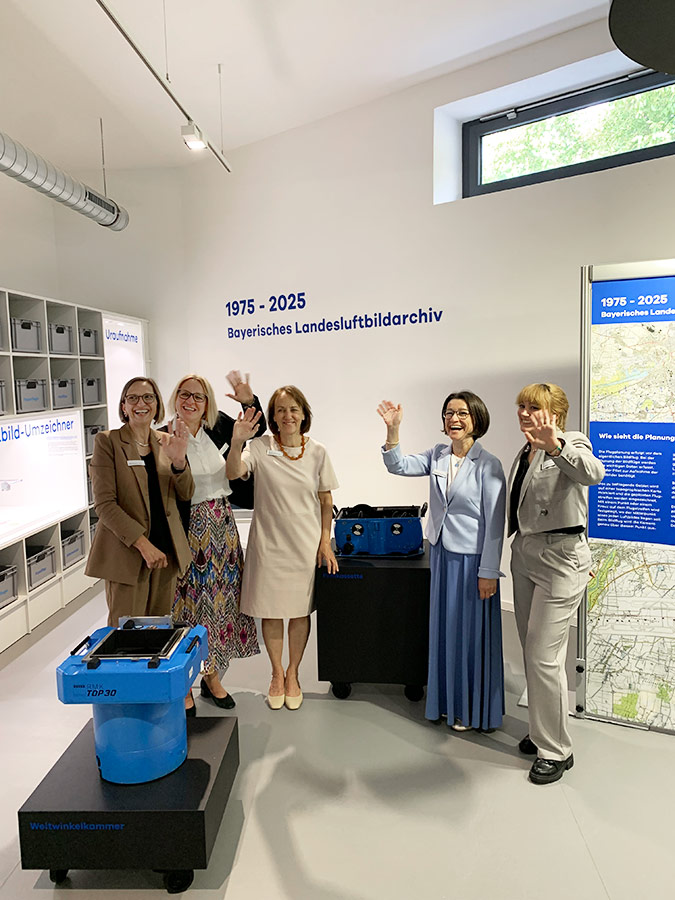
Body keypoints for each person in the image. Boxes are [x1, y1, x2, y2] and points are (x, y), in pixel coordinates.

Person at [378, 392, 507, 732]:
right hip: (441, 554)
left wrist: (489, 571)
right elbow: (397, 465)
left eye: (462, 413)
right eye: (449, 413)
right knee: (445, 632)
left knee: (468, 636)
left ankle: (469, 709)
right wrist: (393, 430)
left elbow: (495, 525)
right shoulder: (437, 455)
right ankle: (446, 703)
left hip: (472, 561)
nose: (454, 419)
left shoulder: (489, 464)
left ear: (476, 419)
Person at [509, 383, 604, 785]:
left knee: (542, 656)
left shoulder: (571, 441)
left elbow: (593, 473)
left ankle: (556, 751)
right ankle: (541, 730)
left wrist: (556, 446)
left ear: (556, 413)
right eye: (522, 405)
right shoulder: (525, 451)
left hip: (560, 559)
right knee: (534, 652)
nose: (524, 412)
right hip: (525, 554)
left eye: (534, 406)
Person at [226, 385, 339, 710]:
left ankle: (294, 674)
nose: (287, 415)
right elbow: (234, 472)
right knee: (272, 611)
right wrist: (237, 441)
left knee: (300, 612)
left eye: (293, 409)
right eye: (280, 410)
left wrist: (325, 542)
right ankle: (276, 674)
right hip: (269, 544)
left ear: (304, 414)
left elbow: (326, 500)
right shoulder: (260, 447)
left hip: (304, 544)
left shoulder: (317, 451)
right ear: (273, 417)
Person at [166, 371, 264, 716]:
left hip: (222, 525)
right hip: (187, 528)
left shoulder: (219, 425)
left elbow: (256, 427)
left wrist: (248, 399)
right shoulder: (164, 435)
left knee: (220, 604)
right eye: (184, 394)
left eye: (198, 396)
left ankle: (211, 676)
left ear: (207, 402)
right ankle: (183, 683)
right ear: (175, 397)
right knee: (186, 607)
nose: (190, 401)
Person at [85, 376, 193, 626]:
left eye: (148, 397)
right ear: (123, 406)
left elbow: (186, 493)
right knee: (127, 633)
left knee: (158, 631)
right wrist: (143, 545)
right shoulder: (108, 442)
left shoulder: (167, 441)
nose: (140, 404)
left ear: (157, 405)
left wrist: (179, 462)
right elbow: (105, 505)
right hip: (128, 554)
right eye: (132, 398)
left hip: (166, 554)